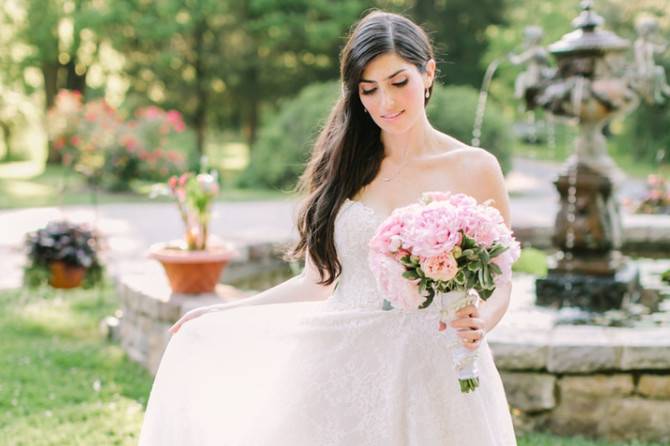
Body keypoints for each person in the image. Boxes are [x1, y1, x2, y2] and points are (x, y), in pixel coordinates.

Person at [139, 10, 517, 446]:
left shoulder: (475, 167)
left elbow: (501, 280)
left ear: (428, 73)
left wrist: (481, 322)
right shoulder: (346, 167)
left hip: (439, 368)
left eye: (399, 83)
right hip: (346, 367)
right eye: (368, 90)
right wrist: (229, 309)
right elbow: (319, 280)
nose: (385, 104)